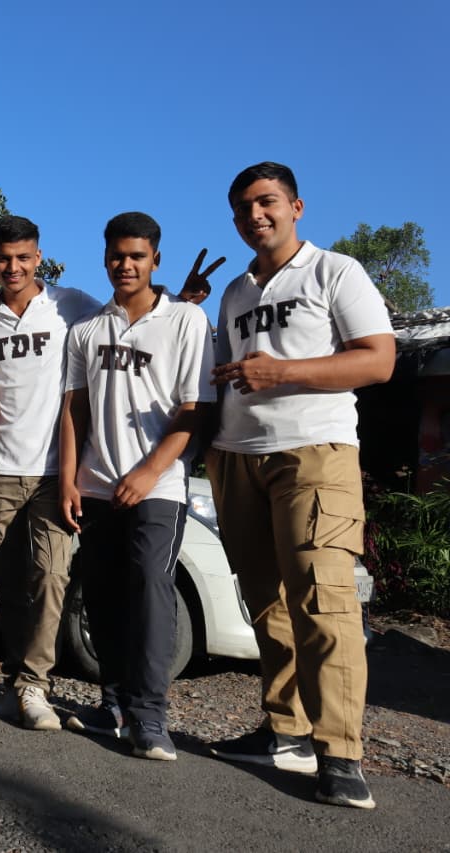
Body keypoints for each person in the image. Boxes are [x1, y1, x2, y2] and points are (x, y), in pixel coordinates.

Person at [206, 162, 395, 809]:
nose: (254, 215)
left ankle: (340, 752)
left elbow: (379, 359)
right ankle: (285, 729)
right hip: (238, 456)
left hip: (313, 451)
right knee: (266, 601)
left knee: (323, 599)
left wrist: (282, 372)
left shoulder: (334, 271)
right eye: (242, 207)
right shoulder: (235, 291)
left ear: (296, 206)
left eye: (266, 202)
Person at [58, 212, 215, 761]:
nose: (126, 265)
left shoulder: (186, 321)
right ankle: (113, 704)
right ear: (105, 259)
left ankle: (149, 715)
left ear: (155, 260)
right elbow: (74, 409)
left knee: (150, 588)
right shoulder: (87, 330)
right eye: (117, 256)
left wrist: (149, 472)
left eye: (137, 256)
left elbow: (196, 409)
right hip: (96, 486)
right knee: (100, 595)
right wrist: (69, 479)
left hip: (158, 486)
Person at [0, 215, 101, 730]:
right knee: (6, 582)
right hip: (0, 467)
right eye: (3, 259)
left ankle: (36, 685)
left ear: (38, 257)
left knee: (51, 575)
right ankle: (14, 683)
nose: (13, 267)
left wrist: (180, 299)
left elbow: (127, 315)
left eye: (23, 257)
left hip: (56, 470)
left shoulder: (72, 305)